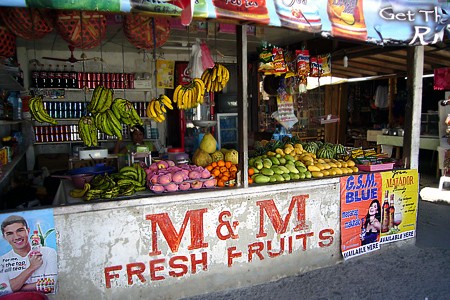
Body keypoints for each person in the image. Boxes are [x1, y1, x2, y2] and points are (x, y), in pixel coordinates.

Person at [0, 215, 57, 293]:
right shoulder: (2, 261)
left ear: (28, 231)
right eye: (10, 233)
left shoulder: (48, 253)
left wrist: (14, 287)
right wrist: (32, 267)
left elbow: (50, 286)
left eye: (20, 230)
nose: (16, 237)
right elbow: (2, 290)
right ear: (4, 237)